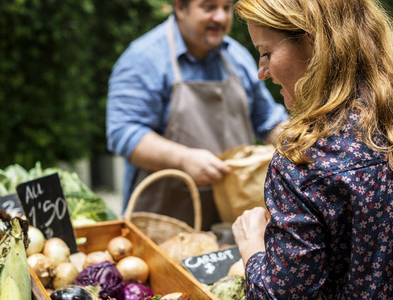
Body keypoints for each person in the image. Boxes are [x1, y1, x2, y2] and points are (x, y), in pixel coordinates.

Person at [231, 0, 393, 298]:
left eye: (267, 53)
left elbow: (280, 295)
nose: (262, 72)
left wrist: (251, 247)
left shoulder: (304, 159)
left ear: (313, 42)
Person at [106, 0, 289, 231]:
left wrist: (297, 139)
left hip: (230, 224)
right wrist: (184, 159)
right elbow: (124, 133)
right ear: (181, 8)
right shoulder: (143, 59)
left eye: (225, 8)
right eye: (209, 7)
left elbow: (266, 119)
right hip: (164, 225)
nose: (221, 18)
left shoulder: (237, 57)